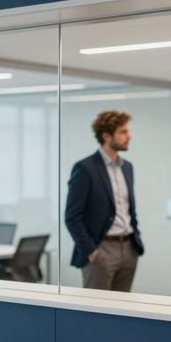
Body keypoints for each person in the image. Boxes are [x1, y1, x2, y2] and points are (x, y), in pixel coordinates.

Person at [65, 110, 144, 291]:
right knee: (97, 312)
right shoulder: (85, 169)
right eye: (123, 132)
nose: (129, 136)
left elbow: (129, 209)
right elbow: (72, 216)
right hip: (101, 249)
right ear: (106, 136)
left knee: (123, 310)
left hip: (129, 247)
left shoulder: (128, 168)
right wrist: (91, 251)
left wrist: (136, 238)